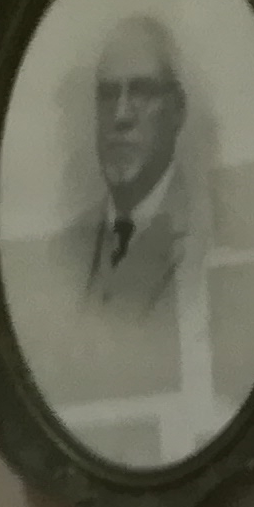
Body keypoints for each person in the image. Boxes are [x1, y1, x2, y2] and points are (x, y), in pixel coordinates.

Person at [58, 16, 192, 317]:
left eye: (141, 92)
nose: (120, 116)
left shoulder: (206, 231)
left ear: (177, 110)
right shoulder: (64, 249)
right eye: (108, 95)